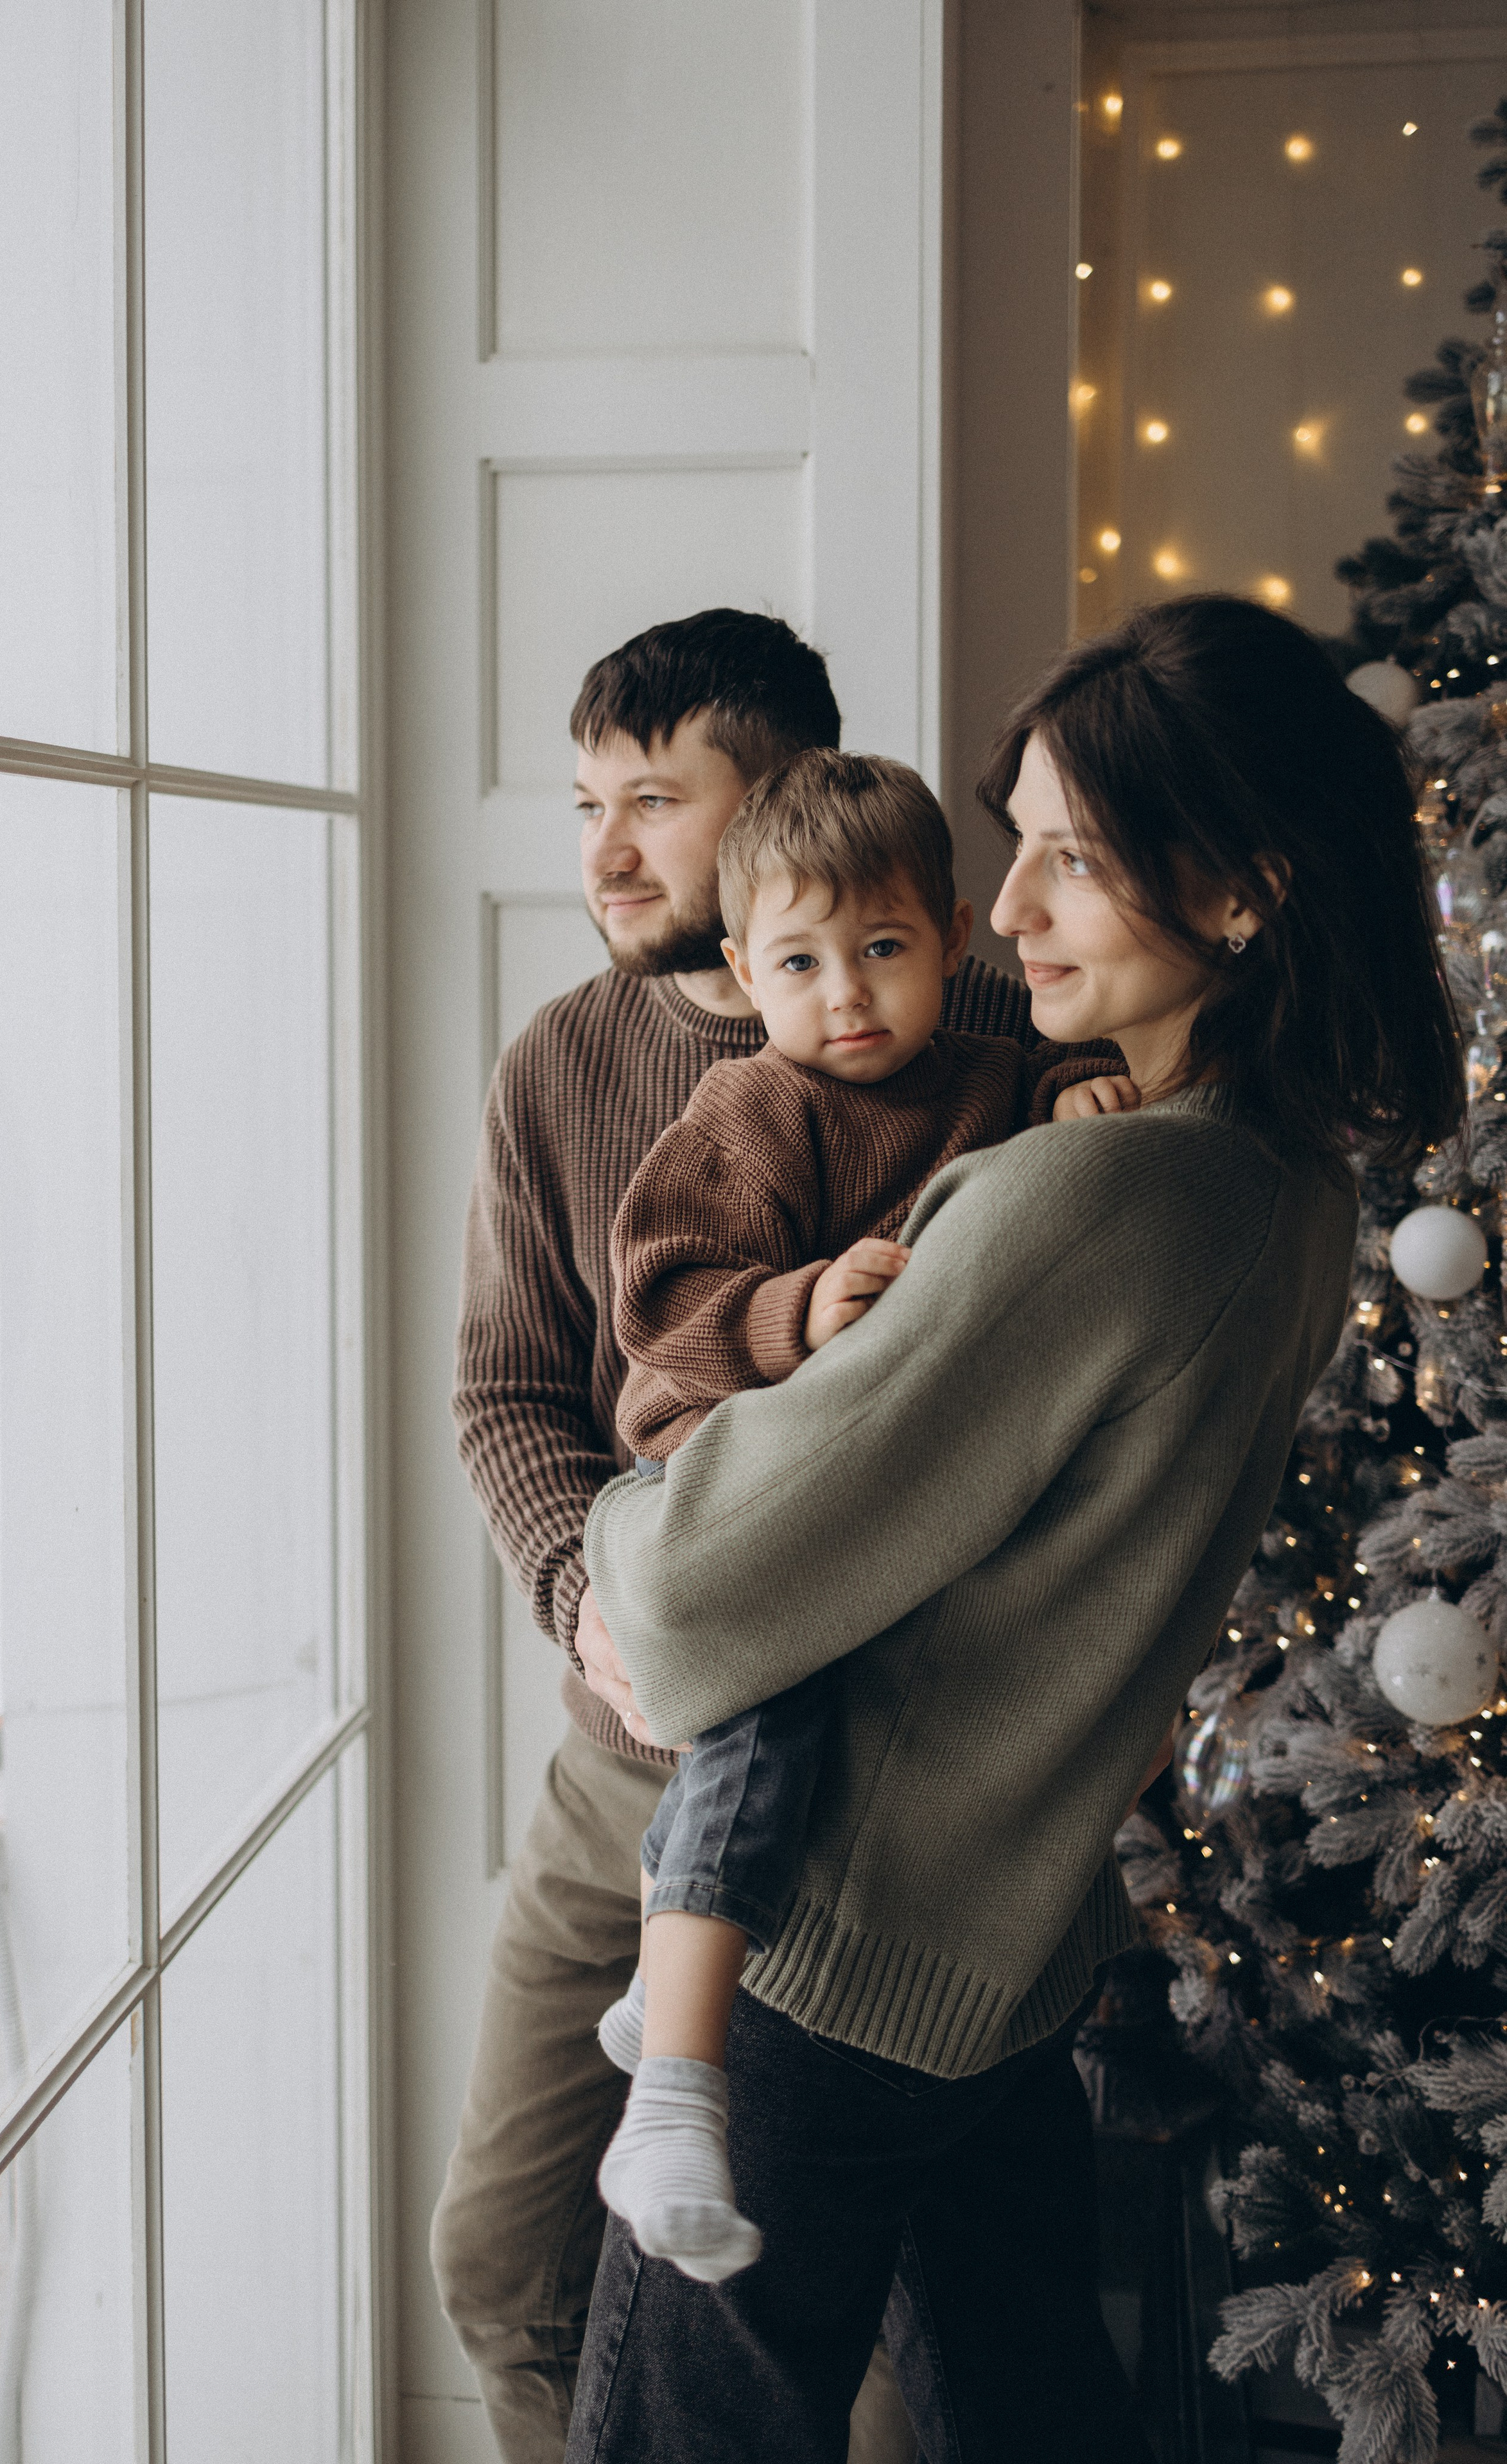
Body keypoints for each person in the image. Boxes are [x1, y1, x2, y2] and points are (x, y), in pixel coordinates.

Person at [564, 594, 1465, 2464]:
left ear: (1238, 891)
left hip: (822, 1958)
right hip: (1011, 1950)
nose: (1019, 905)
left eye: (1075, 857)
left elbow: (700, 1586)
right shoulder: (1295, 1190)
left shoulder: (1090, 1202)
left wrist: (633, 1530)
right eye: (1025, 841)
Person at [438, 607, 1096, 2463]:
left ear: (779, 801)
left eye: (654, 799)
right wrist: (592, 1607)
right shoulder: (561, 1064)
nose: (605, 850)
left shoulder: (984, 1030)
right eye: (589, 803)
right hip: (621, 1751)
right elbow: (505, 1396)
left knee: (854, 2335)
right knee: (501, 2265)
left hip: (888, 1790)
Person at [592, 749, 1132, 2284]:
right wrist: (793, 1307)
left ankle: (668, 1964)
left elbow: (1033, 1122)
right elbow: (658, 1303)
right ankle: (677, 2089)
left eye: (881, 949)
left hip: (863, 1489)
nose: (846, 993)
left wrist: (1072, 1089)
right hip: (717, 1466)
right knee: (772, 1706)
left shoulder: (984, 1074)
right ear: (739, 969)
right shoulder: (749, 1105)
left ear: (952, 936)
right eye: (799, 961)